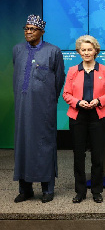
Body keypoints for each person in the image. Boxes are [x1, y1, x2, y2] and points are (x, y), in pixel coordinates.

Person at [13, 15, 65, 203]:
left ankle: (47, 190)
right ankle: (25, 189)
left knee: (44, 146)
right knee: (23, 145)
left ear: (42, 32)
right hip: (22, 109)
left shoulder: (53, 51)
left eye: (32, 29)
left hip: (44, 109)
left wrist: (49, 100)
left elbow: (59, 79)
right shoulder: (17, 50)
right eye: (26, 28)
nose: (28, 32)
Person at [63, 35, 105, 203]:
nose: (86, 52)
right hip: (77, 116)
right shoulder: (72, 70)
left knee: (97, 156)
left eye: (89, 49)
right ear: (79, 51)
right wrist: (78, 102)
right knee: (79, 156)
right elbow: (66, 94)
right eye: (83, 50)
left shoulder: (104, 70)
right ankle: (80, 191)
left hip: (98, 116)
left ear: (95, 51)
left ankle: (96, 191)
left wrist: (98, 101)